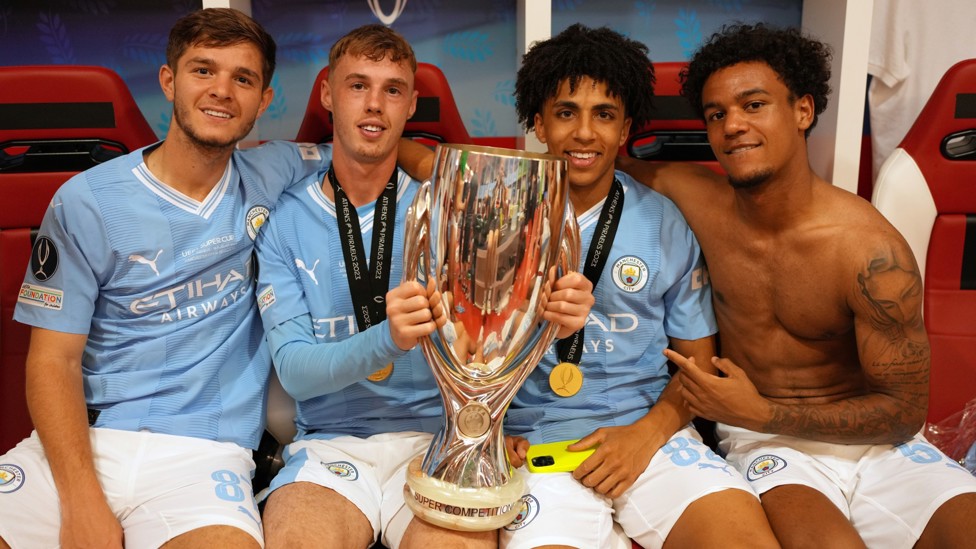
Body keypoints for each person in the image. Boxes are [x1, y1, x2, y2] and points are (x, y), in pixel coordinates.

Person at [398, 24, 778, 549]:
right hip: (537, 446)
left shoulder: (663, 220)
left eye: (604, 114)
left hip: (651, 437)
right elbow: (463, 352)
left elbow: (699, 364)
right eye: (566, 112)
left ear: (625, 130)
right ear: (539, 123)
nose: (584, 133)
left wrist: (646, 435)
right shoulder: (492, 215)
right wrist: (484, 427)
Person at [617, 22, 976, 548]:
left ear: (803, 111)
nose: (733, 125)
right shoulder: (691, 197)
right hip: (769, 443)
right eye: (717, 114)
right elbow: (591, 163)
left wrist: (755, 409)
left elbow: (904, 412)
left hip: (878, 443)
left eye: (754, 105)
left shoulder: (869, 251)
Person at [0, 8, 331, 549]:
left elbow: (370, 153)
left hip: (205, 457)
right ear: (169, 80)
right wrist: (82, 503)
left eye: (242, 78)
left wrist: (423, 157)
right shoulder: (86, 200)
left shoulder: (277, 169)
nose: (222, 90)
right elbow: (51, 359)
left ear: (264, 100)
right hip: (85, 444)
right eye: (203, 71)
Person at [252, 24, 592, 549]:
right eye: (357, 85)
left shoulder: (459, 211)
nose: (374, 105)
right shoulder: (286, 221)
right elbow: (295, 373)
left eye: (392, 90)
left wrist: (559, 313)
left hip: (448, 437)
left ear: (411, 105)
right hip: (333, 447)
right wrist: (388, 338)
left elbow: (498, 339)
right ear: (326, 94)